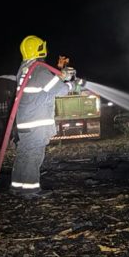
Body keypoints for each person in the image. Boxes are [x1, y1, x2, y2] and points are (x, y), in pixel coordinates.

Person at [11, 35, 78, 197]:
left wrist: (60, 72)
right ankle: (31, 190)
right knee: (34, 154)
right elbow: (60, 90)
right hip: (37, 122)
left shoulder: (26, 68)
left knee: (24, 153)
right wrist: (71, 83)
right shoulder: (39, 70)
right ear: (40, 49)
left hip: (25, 122)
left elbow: (45, 85)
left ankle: (17, 187)